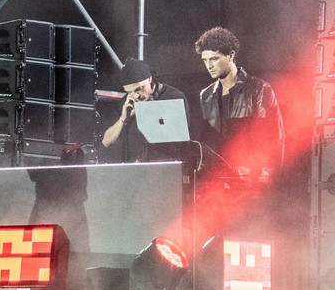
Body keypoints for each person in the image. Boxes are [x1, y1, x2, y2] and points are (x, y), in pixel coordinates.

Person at [194, 26, 284, 183]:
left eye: (214, 59)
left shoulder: (258, 89)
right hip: (218, 180)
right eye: (205, 60)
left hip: (251, 178)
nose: (209, 66)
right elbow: (207, 142)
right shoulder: (206, 95)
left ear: (231, 55)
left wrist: (264, 181)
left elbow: (273, 138)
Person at [101, 57, 190, 163]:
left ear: (150, 79)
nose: (136, 95)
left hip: (163, 166)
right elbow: (106, 142)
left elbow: (178, 140)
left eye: (139, 88)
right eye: (129, 92)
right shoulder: (126, 103)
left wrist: (148, 108)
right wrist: (123, 119)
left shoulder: (173, 97)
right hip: (132, 167)